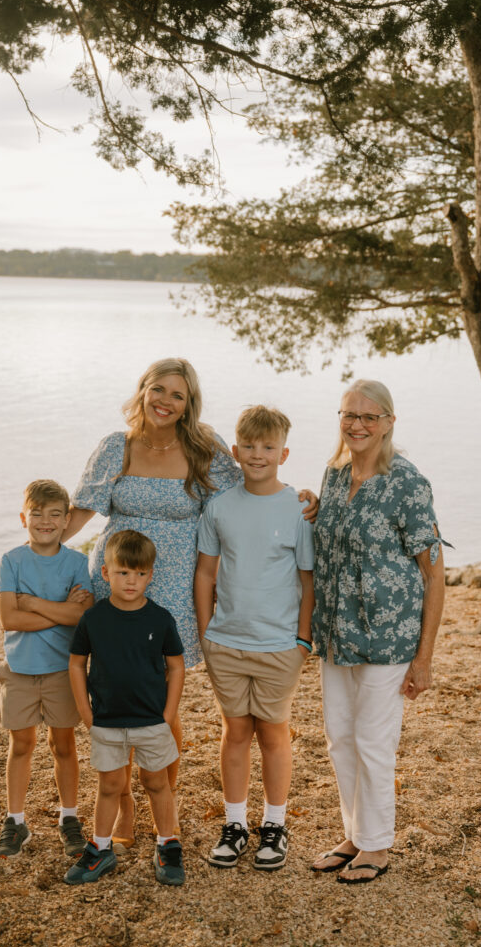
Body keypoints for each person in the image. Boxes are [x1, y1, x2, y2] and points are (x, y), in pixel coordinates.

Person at [63, 357, 317, 846]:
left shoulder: (204, 447)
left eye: (177, 395)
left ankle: (163, 798)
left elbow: (254, 485)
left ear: (188, 404)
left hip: (177, 586)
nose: (165, 401)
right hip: (117, 580)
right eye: (158, 389)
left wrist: (303, 499)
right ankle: (123, 801)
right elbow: (81, 511)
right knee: (113, 686)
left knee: (161, 694)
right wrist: (38, 550)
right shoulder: (115, 447)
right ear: (143, 390)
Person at [310, 379, 445, 884]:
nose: (358, 425)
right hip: (336, 633)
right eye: (349, 414)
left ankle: (378, 845)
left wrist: (424, 658)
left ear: (389, 422)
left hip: (389, 638)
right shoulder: (334, 474)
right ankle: (355, 835)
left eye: (370, 416)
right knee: (340, 739)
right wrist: (311, 508)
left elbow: (434, 573)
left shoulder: (407, 482)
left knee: (372, 741)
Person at [194, 406, 314, 871]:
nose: (258, 454)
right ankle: (235, 824)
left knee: (273, 733)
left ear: (284, 453)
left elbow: (307, 579)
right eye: (249, 446)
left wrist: (302, 639)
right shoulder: (219, 507)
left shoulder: (298, 508)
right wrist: (207, 633)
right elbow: (206, 574)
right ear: (235, 450)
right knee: (236, 731)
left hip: (280, 646)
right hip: (226, 643)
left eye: (268, 447)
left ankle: (275, 825)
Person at [65, 530, 186, 886]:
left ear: (150, 575)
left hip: (151, 720)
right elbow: (77, 663)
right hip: (106, 720)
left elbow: (176, 666)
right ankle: (100, 848)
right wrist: (85, 712)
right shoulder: (94, 618)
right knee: (110, 785)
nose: (131, 581)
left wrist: (168, 714)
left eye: (139, 573)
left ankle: (167, 844)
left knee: (156, 782)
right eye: (123, 572)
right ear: (106, 573)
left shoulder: (160, 618)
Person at [0, 479, 93, 858]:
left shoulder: (76, 563)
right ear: (24, 518)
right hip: (19, 669)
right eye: (37, 514)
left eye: (55, 514)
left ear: (67, 520)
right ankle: (15, 820)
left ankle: (69, 818)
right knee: (21, 744)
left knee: (63, 745)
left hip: (62, 671)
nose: (45, 521)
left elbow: (81, 617)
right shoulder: (11, 561)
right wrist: (61, 610)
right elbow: (9, 619)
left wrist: (33, 603)